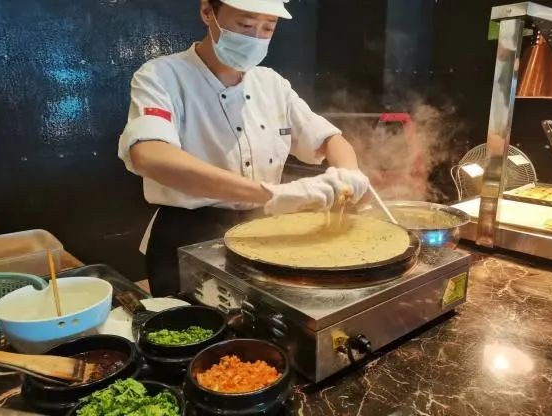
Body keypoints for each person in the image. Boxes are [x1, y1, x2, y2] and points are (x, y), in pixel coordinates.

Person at [118, 0, 370, 296]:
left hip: (262, 231)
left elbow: (329, 139)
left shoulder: (272, 84)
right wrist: (272, 194)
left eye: (268, 28)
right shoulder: (162, 76)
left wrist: (348, 174)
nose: (256, 37)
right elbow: (149, 154)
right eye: (245, 25)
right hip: (188, 235)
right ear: (207, 12)